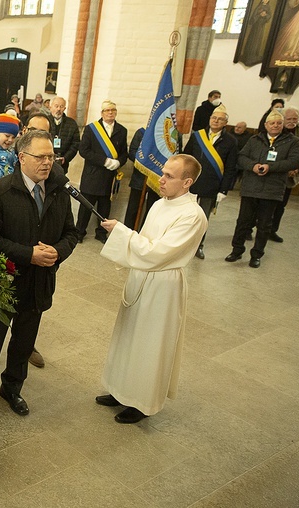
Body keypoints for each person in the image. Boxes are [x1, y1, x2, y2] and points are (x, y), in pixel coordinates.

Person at [0, 130, 77, 423]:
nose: (47, 163)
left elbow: (71, 232)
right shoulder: (0, 191)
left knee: (24, 341)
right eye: (40, 157)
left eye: (50, 157)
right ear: (22, 158)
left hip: (39, 281)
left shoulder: (57, 191)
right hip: (3, 282)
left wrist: (57, 252)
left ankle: (12, 388)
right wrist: (28, 254)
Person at [95, 154, 208, 424]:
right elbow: (144, 240)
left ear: (187, 182)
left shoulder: (193, 215)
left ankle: (141, 402)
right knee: (129, 335)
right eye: (163, 172)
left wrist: (121, 232)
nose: (161, 178)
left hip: (163, 285)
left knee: (150, 344)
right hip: (142, 275)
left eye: (170, 175)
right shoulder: (160, 204)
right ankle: (120, 390)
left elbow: (159, 253)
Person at [226, 110, 299, 268]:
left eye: (278, 123)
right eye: (272, 123)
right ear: (266, 125)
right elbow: (241, 157)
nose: (275, 125)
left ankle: (257, 254)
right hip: (251, 187)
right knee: (243, 222)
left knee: (264, 225)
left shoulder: (292, 141)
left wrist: (270, 167)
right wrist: (253, 166)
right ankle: (237, 250)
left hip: (272, 190)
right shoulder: (255, 139)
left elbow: (294, 161)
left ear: (282, 125)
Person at [183, 104, 239, 259]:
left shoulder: (231, 141)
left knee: (202, 218)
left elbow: (230, 168)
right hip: (192, 184)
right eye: (214, 118)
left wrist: (224, 190)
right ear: (210, 119)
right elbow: (186, 158)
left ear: (225, 122)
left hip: (212, 186)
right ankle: (182, 245)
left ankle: (198, 246)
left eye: (220, 119)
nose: (216, 121)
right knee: (186, 216)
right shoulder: (197, 136)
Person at [76, 100, 128, 243]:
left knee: (105, 207)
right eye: (107, 110)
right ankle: (79, 232)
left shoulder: (122, 130)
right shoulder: (91, 129)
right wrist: (104, 161)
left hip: (109, 177)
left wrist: (118, 162)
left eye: (113, 110)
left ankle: (101, 233)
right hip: (92, 175)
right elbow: (84, 151)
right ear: (102, 113)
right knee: (86, 206)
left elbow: (124, 153)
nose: (110, 113)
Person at [269, 107, 299, 243]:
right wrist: (285, 167)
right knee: (262, 204)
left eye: (295, 119)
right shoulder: (276, 130)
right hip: (274, 173)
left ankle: (272, 231)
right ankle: (251, 228)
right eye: (289, 119)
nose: (292, 122)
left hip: (290, 177)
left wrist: (297, 168)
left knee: (280, 205)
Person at [123, 127, 160, 230]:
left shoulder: (170, 137)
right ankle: (127, 234)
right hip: (139, 178)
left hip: (158, 180)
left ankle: (144, 236)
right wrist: (147, 164)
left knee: (152, 212)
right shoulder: (141, 132)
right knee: (133, 210)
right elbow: (132, 152)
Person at [47, 97, 80, 174]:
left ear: (64, 108)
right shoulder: (45, 120)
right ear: (50, 107)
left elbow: (75, 144)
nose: (59, 109)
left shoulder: (71, 123)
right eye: (56, 106)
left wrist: (66, 158)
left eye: (61, 107)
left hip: (62, 163)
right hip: (45, 161)